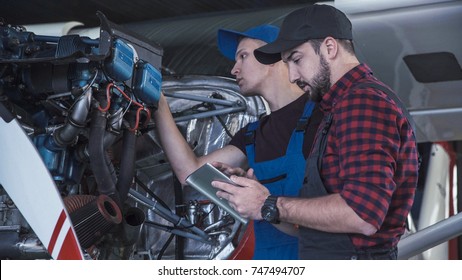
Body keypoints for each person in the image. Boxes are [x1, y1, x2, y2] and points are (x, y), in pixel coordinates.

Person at [212, 4, 419, 260]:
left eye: (297, 60)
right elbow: (321, 228)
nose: (291, 76)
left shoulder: (362, 102)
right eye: (288, 64)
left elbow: (362, 214)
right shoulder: (336, 107)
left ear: (330, 48)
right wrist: (260, 198)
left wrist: (268, 203)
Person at [153, 24, 322, 259]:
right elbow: (190, 172)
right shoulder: (252, 134)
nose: (234, 69)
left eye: (243, 56)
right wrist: (158, 103)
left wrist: (266, 203)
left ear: (272, 56)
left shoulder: (323, 118)